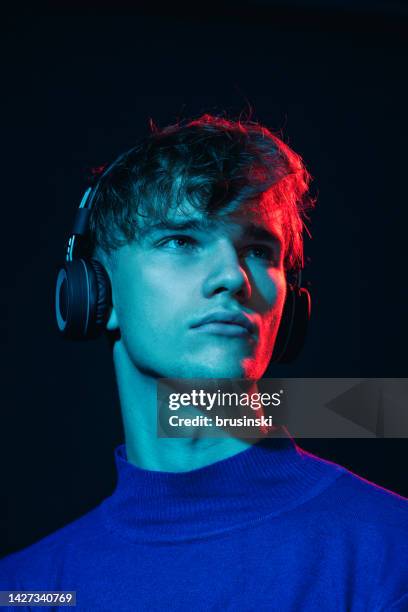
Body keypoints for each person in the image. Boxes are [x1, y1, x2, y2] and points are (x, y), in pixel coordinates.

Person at [1, 114, 407, 611]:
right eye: (181, 240)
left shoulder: (391, 552)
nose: (232, 277)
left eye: (259, 249)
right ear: (95, 293)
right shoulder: (26, 589)